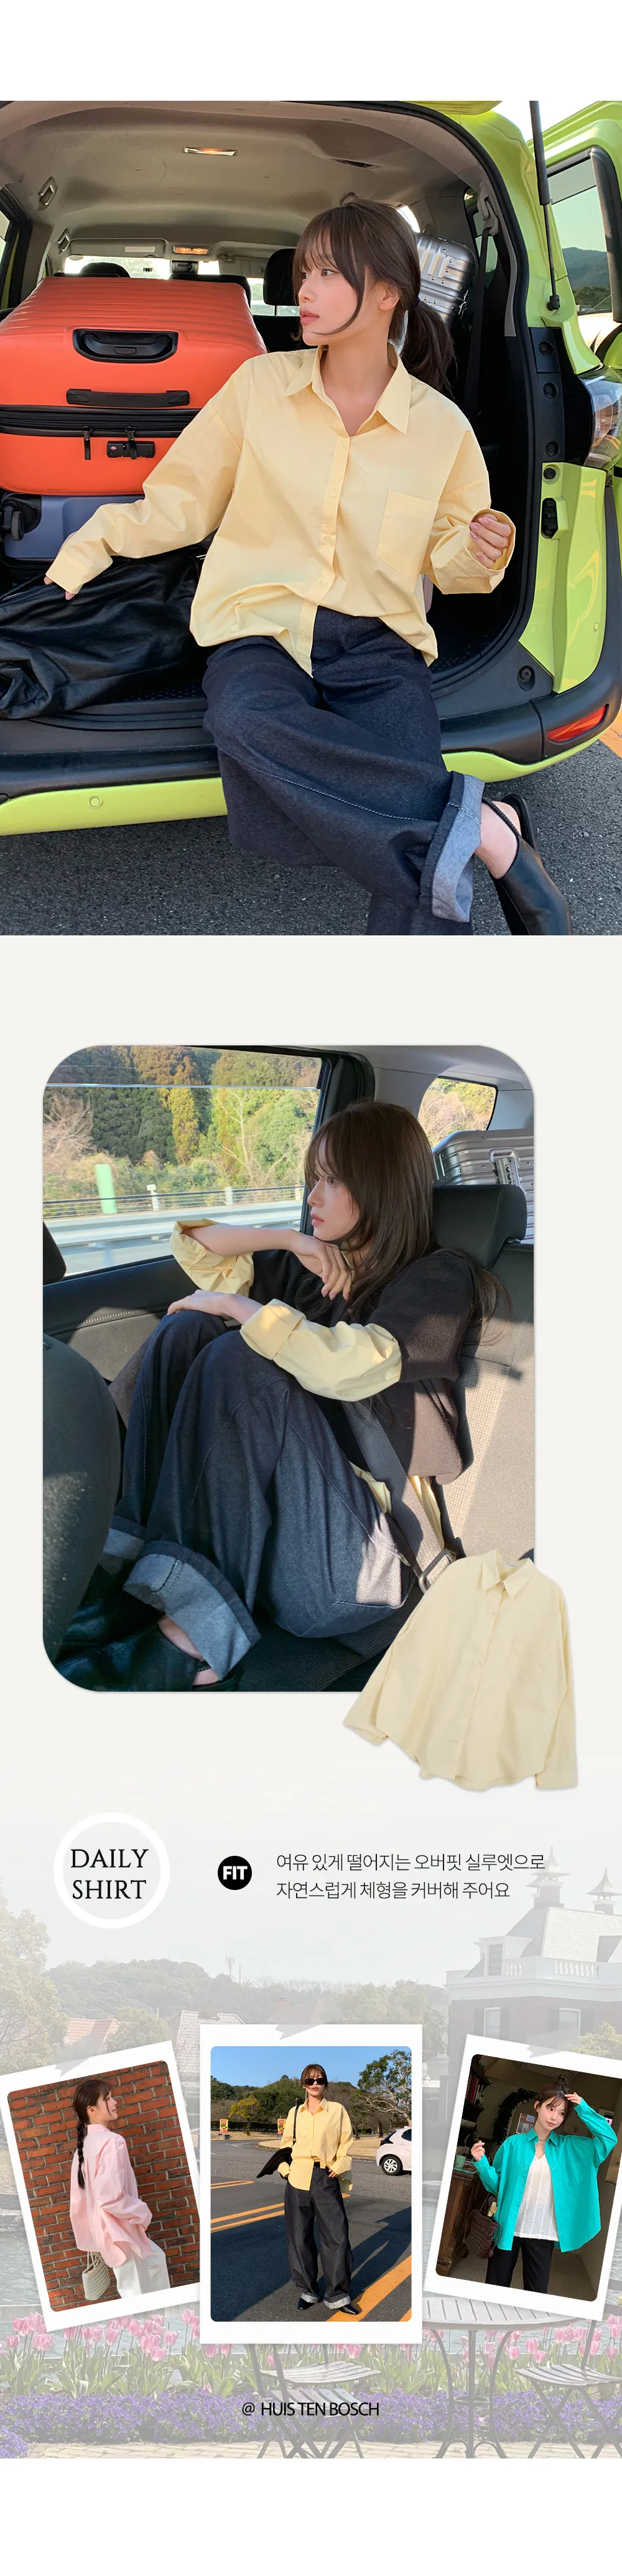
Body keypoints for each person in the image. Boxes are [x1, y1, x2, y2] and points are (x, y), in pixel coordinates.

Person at [44, 200, 569, 937]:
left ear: (386, 292)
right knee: (244, 718)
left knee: (397, 820)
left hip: (379, 638)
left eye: (327, 273)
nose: (305, 291)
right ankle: (486, 827)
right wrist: (88, 548)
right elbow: (181, 501)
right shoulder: (259, 387)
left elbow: (451, 567)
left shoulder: (441, 428)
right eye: (304, 273)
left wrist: (479, 552)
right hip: (259, 626)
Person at [60, 1100, 506, 1691]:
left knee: (238, 1351)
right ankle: (133, 1580)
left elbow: (355, 1365)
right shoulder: (312, 1273)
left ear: (380, 1186)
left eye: (332, 1180)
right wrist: (289, 1240)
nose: (313, 1196)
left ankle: (194, 1636)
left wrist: (236, 1305)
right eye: (312, 1178)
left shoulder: (437, 1279)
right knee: (185, 1331)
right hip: (275, 1536)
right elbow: (194, 1244)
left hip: (352, 1568)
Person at [471, 2086, 616, 2295]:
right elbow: (499, 2187)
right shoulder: (513, 2144)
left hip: (543, 2232)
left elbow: (608, 2140)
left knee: (536, 2292)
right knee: (496, 2287)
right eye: (551, 2108)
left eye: (562, 2113)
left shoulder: (570, 2147)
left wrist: (583, 2108)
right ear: (538, 2107)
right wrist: (482, 2163)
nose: (555, 2117)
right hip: (507, 2228)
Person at [69, 2077, 171, 2307]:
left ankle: (164, 2321)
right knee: (136, 2292)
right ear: (93, 2110)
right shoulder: (112, 2141)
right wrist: (142, 2212)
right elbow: (109, 2197)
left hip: (107, 2231)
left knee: (154, 2263)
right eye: (108, 2099)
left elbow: (78, 2203)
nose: (115, 2102)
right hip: (120, 2230)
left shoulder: (82, 2149)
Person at [278, 2066, 355, 2312]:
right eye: (310, 2080)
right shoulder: (295, 2113)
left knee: (337, 2237)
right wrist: (285, 2170)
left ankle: (338, 2296)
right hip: (297, 2178)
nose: (315, 2084)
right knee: (299, 2238)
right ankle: (309, 2292)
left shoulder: (337, 2111)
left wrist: (340, 2165)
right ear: (303, 2084)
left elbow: (345, 2142)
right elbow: (286, 2145)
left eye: (319, 2080)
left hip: (325, 2176)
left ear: (325, 2084)